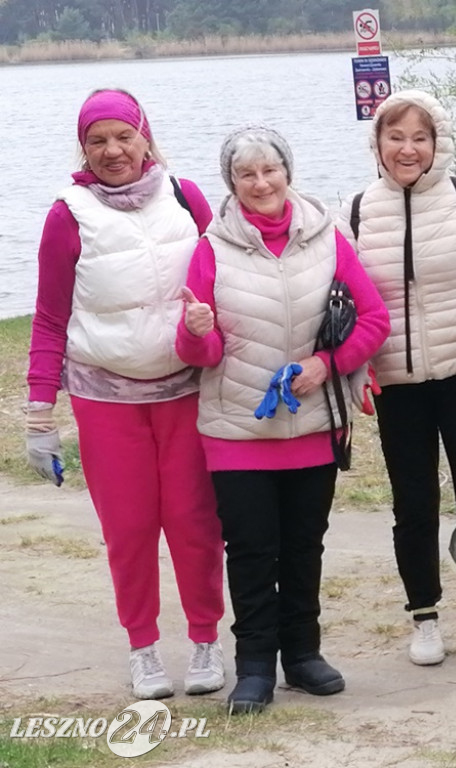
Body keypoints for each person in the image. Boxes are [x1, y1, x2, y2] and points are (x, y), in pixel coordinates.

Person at [175, 124, 389, 713]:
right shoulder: (210, 248)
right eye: (247, 174)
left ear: (288, 173)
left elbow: (372, 320)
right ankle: (253, 669)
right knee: (250, 552)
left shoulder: (329, 238)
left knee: (303, 547)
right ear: (232, 184)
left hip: (314, 427)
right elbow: (202, 354)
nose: (261, 182)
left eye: (270, 170)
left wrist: (327, 364)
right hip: (237, 431)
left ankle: (302, 656)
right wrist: (196, 333)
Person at [25, 88, 226, 700]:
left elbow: (228, 281)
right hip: (105, 399)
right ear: (83, 148)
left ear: (145, 135)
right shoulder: (68, 214)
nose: (113, 151)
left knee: (195, 522)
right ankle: (143, 649)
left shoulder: (187, 198)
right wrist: (39, 412)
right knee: (130, 527)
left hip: (187, 391)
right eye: (97, 141)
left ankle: (204, 640)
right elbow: (49, 318)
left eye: (122, 136)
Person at [338, 90, 456, 667]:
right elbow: (343, 301)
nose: (408, 149)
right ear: (378, 144)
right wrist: (355, 366)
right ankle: (424, 616)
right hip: (396, 380)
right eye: (396, 137)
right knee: (412, 502)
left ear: (437, 143)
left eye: (420, 137)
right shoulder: (355, 210)